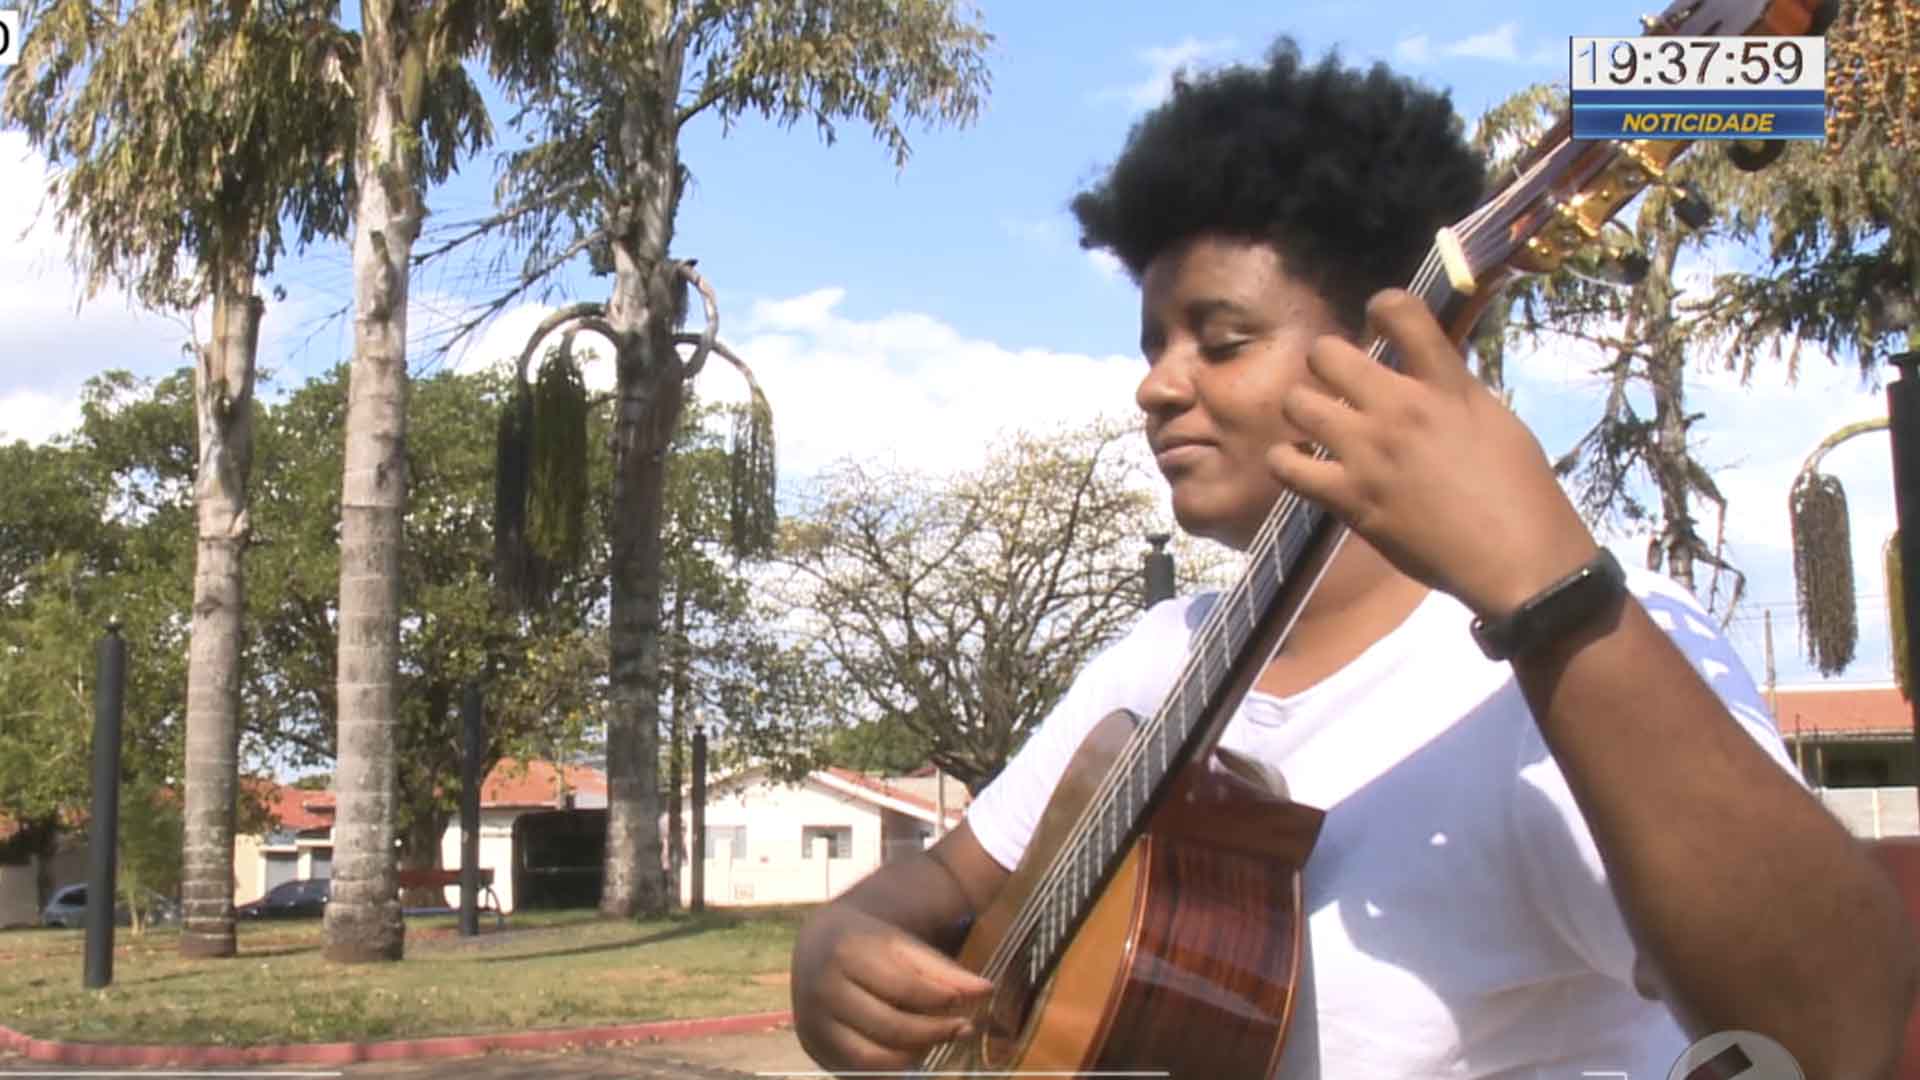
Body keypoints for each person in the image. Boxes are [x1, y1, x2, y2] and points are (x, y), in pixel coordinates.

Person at [788, 39, 1917, 1078]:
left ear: (1390, 351)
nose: (1157, 383)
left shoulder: (1597, 646)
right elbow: (943, 884)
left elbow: (1837, 1038)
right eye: (1153, 345)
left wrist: (1551, 596)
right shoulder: (1154, 659)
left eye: (1221, 340)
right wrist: (842, 941)